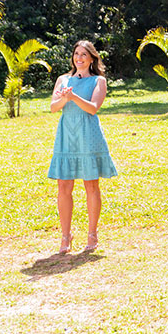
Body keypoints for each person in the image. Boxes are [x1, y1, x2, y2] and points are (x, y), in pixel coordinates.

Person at [48, 40, 117, 254]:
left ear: (92, 58)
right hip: (67, 136)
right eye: (76, 54)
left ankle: (92, 234)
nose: (79, 58)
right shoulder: (63, 79)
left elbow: (93, 108)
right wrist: (63, 98)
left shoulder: (99, 81)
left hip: (88, 135)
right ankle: (66, 236)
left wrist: (72, 96)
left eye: (84, 54)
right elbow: (53, 107)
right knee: (64, 187)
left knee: (91, 187)